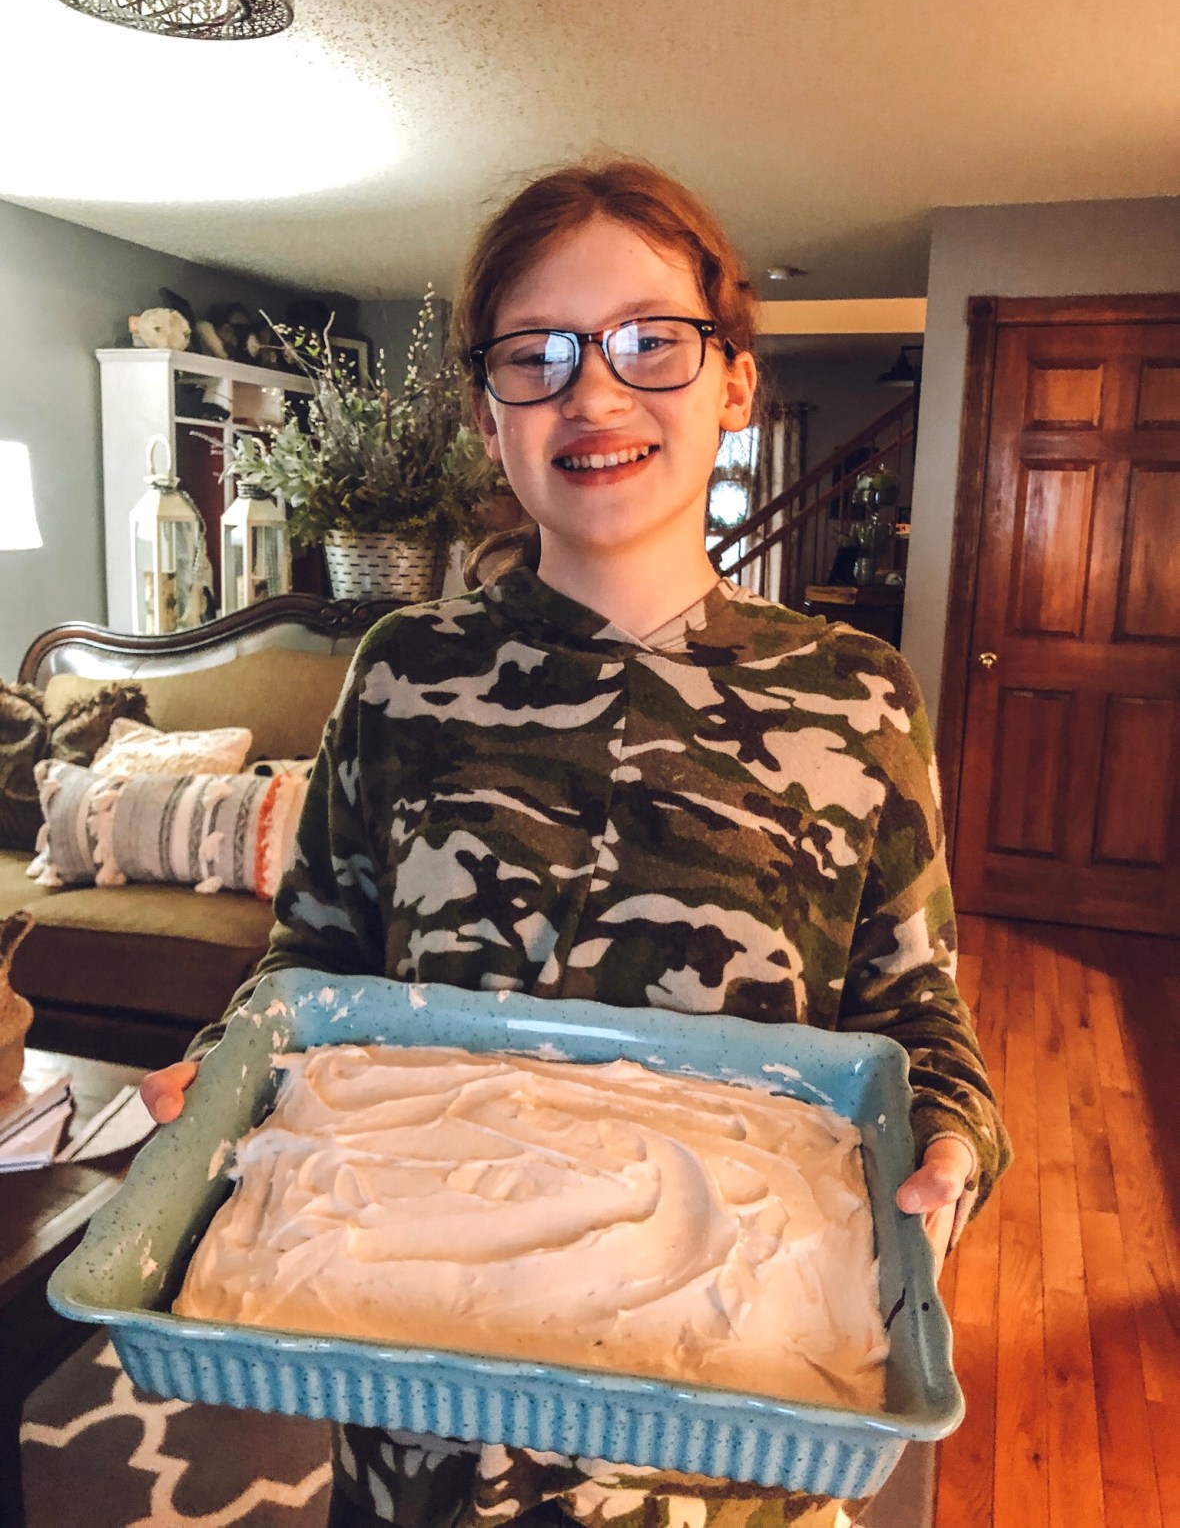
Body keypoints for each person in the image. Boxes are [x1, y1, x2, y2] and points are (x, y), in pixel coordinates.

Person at [143, 158, 1011, 1528]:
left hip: (733, 1446)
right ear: (489, 415)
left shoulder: (857, 698)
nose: (593, 394)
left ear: (735, 382)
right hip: (423, 1433)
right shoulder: (403, 674)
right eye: (536, 354)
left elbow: (913, 1016)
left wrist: (951, 1143)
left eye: (649, 341)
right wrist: (229, 1068)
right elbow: (311, 965)